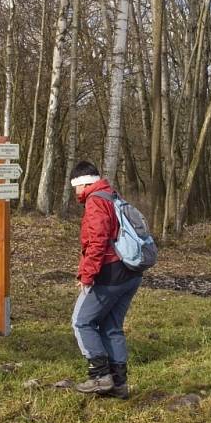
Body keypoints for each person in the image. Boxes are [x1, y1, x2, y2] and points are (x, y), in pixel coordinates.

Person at [69, 160, 142, 399]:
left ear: (83, 184)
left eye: (75, 187)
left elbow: (98, 242)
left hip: (110, 274)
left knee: (82, 322)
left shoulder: (96, 202)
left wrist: (87, 276)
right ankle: (119, 385)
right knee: (111, 327)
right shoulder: (112, 195)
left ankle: (99, 377)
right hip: (130, 272)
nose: (75, 192)